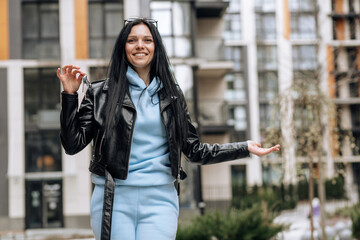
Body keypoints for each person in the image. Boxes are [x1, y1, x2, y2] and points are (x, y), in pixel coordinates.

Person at [58, 18, 280, 240]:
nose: (140, 45)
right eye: (132, 40)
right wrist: (69, 96)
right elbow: (72, 144)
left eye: (147, 40)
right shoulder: (100, 93)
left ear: (156, 48)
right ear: (123, 48)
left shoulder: (172, 95)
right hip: (113, 199)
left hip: (160, 200)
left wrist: (245, 148)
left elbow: (194, 151)